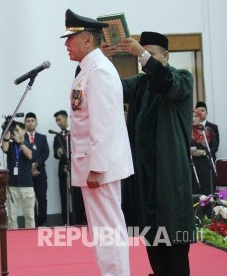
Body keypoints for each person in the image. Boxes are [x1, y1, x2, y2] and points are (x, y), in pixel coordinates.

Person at [102, 31, 196, 275]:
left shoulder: (181, 78)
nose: (145, 60)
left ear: (165, 55)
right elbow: (111, 90)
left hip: (170, 181)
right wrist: (99, 60)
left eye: (150, 54)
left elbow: (167, 83)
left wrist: (140, 53)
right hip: (145, 183)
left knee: (175, 251)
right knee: (153, 247)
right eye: (143, 54)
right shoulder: (140, 84)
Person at [61, 10, 134, 276]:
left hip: (99, 168)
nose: (66, 45)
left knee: (108, 230)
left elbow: (102, 125)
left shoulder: (100, 71)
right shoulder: (89, 70)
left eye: (71, 39)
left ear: (88, 41)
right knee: (103, 231)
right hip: (92, 166)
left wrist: (97, 167)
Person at [53, 110, 87, 226]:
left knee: (79, 197)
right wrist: (58, 153)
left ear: (66, 118)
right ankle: (65, 222)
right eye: (56, 121)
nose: (58, 122)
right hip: (64, 172)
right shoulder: (57, 136)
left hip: (77, 170)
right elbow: (55, 155)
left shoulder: (75, 133)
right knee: (64, 197)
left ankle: (81, 220)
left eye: (60, 119)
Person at [2, 121, 35, 229]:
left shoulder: (29, 144)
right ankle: (13, 238)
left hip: (27, 185)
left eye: (17, 130)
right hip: (12, 185)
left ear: (24, 131)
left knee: (29, 215)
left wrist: (20, 142)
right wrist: (6, 131)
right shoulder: (11, 145)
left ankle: (30, 237)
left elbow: (30, 156)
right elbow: (4, 148)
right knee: (12, 216)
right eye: (13, 130)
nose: (14, 133)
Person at [24, 112, 50, 226]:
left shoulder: (42, 138)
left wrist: (36, 164)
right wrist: (30, 166)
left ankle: (42, 221)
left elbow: (46, 153)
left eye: (32, 121)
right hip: (26, 172)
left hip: (40, 172)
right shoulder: (21, 138)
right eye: (28, 121)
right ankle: (32, 222)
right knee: (30, 199)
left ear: (36, 123)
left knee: (42, 197)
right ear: (25, 123)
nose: (30, 123)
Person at [191, 109, 218, 213]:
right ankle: (197, 218)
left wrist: (204, 152)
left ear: (200, 117)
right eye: (191, 116)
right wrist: (190, 153)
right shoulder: (187, 131)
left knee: (208, 193)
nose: (193, 119)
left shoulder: (207, 131)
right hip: (193, 167)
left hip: (206, 166)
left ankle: (210, 217)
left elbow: (214, 147)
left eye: (196, 116)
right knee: (196, 193)